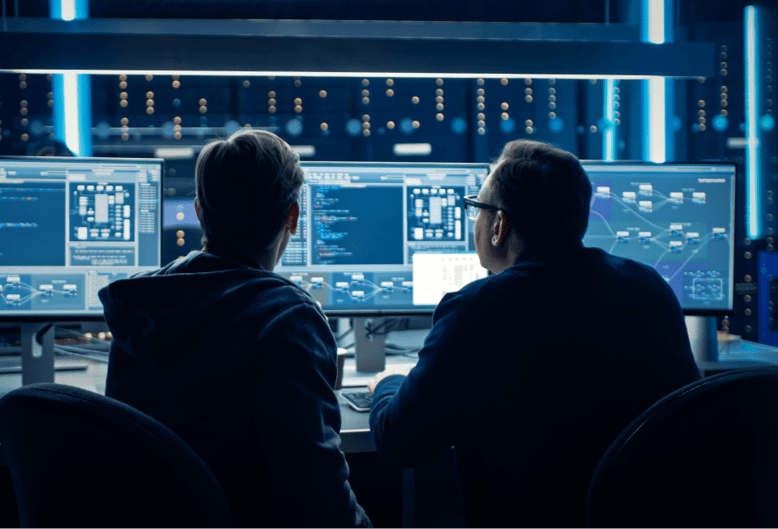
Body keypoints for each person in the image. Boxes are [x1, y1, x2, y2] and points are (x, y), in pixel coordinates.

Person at [368, 139, 701, 528]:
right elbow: (689, 417)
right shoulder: (648, 287)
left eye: (477, 208)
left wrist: (387, 383)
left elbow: (399, 443)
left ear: (499, 225)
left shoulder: (477, 309)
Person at [99, 130, 371, 528]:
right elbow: (320, 500)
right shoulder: (287, 319)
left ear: (198, 211)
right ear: (292, 217)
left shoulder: (140, 305)